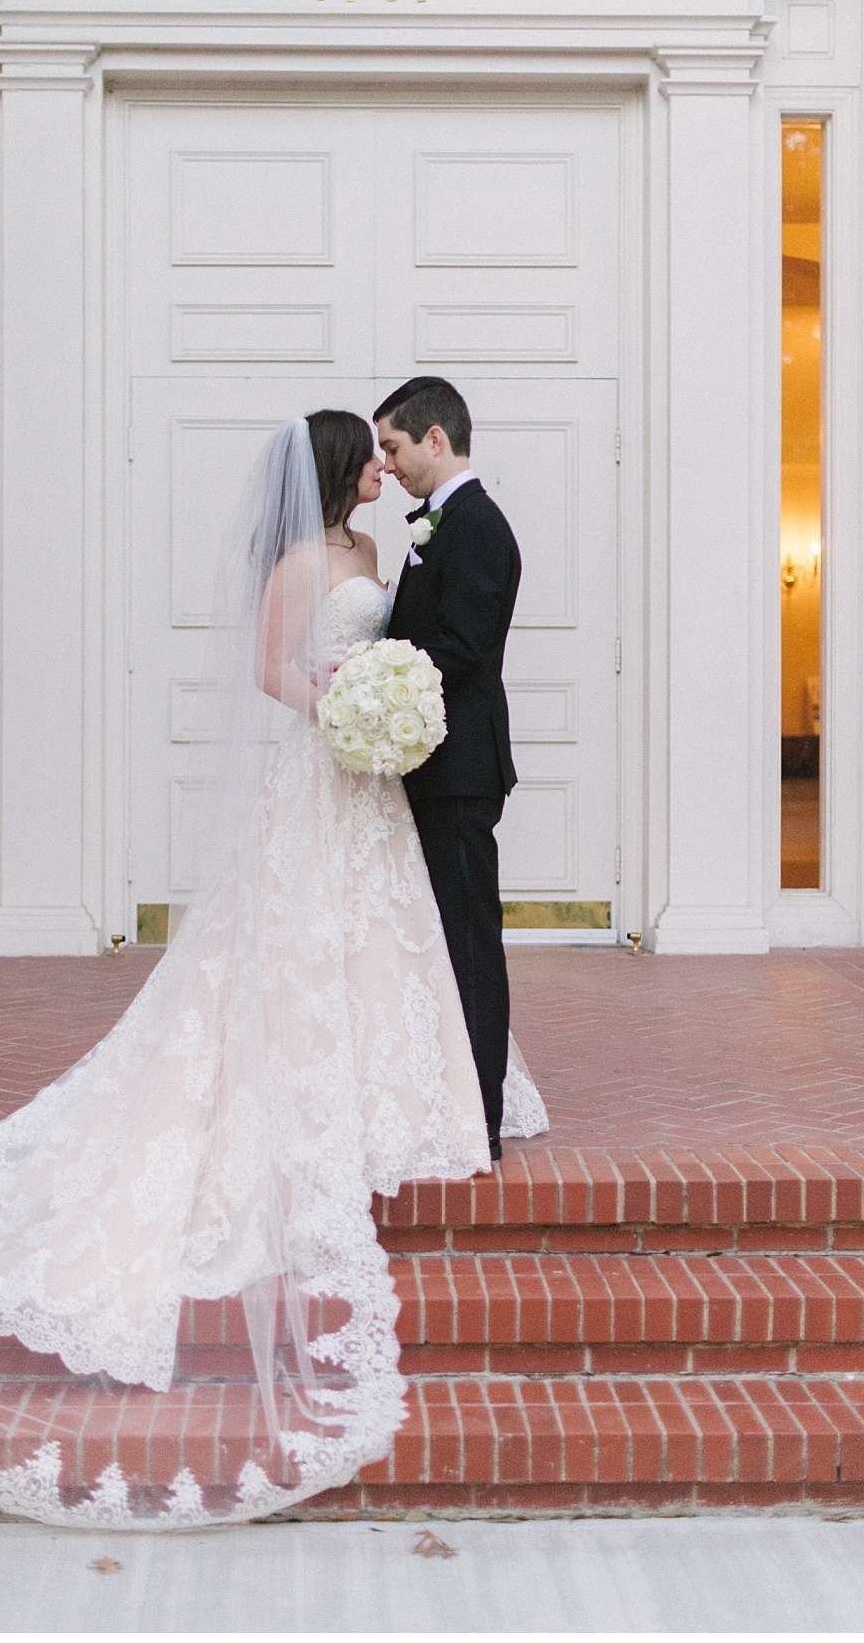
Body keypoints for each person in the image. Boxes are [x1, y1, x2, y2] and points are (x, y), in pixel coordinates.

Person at [0, 415, 546, 1530]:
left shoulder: (380, 558)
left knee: (385, 933)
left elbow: (397, 647)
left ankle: (409, 1086)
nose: (387, 467)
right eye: (372, 454)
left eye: (397, 449)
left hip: (370, 789)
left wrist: (387, 713)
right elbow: (271, 669)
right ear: (340, 468)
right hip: (317, 770)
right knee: (286, 943)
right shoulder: (298, 562)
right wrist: (341, 709)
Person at [376, 379, 520, 1161]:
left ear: (436, 438)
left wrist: (378, 684)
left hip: (459, 768)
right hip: (436, 767)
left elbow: (461, 650)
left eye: (395, 447)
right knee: (445, 938)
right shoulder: (446, 523)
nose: (387, 465)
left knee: (468, 941)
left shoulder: (477, 528)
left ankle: (480, 1121)